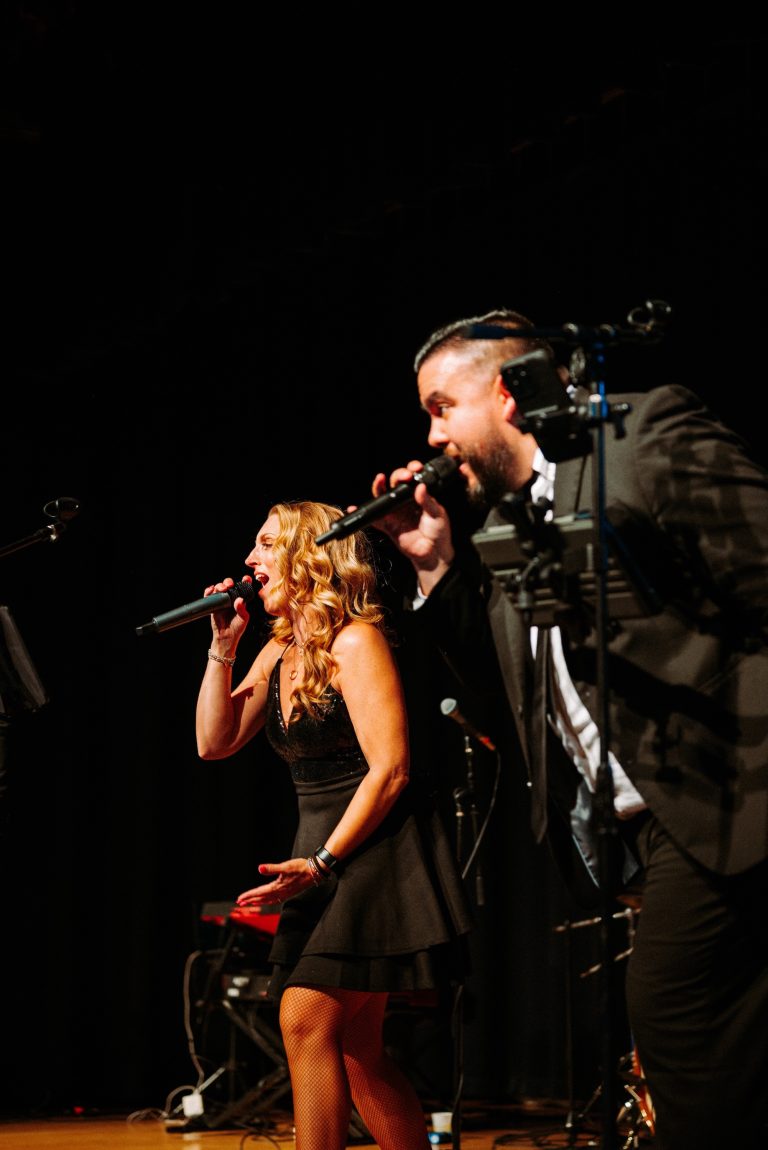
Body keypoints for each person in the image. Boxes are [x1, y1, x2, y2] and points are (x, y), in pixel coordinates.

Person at [368, 309, 768, 1150]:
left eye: (442, 407)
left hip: (728, 787)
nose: (432, 435)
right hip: (644, 826)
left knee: (675, 1011)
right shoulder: (511, 524)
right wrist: (435, 565)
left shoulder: (641, 435)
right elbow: (509, 701)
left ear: (509, 393)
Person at [195, 499, 472, 1150]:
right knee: (358, 1049)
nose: (250, 559)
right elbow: (213, 742)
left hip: (373, 849)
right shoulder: (279, 650)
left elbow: (392, 769)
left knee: (303, 1019)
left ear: (307, 556)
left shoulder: (356, 640)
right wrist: (222, 648)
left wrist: (324, 862)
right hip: (318, 855)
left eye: (267, 544)